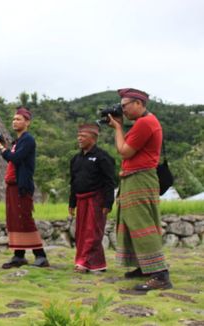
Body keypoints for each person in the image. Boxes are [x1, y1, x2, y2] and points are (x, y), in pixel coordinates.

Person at [108, 88, 172, 291]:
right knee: (130, 223)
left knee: (142, 224)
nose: (123, 110)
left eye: (125, 105)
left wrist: (117, 128)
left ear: (138, 103)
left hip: (140, 178)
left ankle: (160, 275)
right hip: (135, 177)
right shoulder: (145, 122)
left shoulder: (145, 123)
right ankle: (145, 266)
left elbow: (125, 151)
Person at [0, 106, 49, 269]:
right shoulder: (18, 142)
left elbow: (15, 158)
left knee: (25, 219)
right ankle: (19, 255)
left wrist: (1, 148)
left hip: (21, 186)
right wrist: (5, 148)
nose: (15, 121)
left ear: (27, 122)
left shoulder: (28, 140)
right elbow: (12, 159)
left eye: (19, 119)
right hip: (12, 186)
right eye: (14, 119)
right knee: (14, 220)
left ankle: (40, 255)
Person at [69, 123, 116, 273]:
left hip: (96, 200)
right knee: (80, 233)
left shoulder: (103, 157)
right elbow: (73, 182)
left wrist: (108, 203)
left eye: (83, 136)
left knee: (93, 232)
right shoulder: (75, 159)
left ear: (93, 138)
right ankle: (97, 264)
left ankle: (84, 262)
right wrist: (72, 202)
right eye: (78, 136)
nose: (79, 139)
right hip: (81, 199)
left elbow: (110, 181)